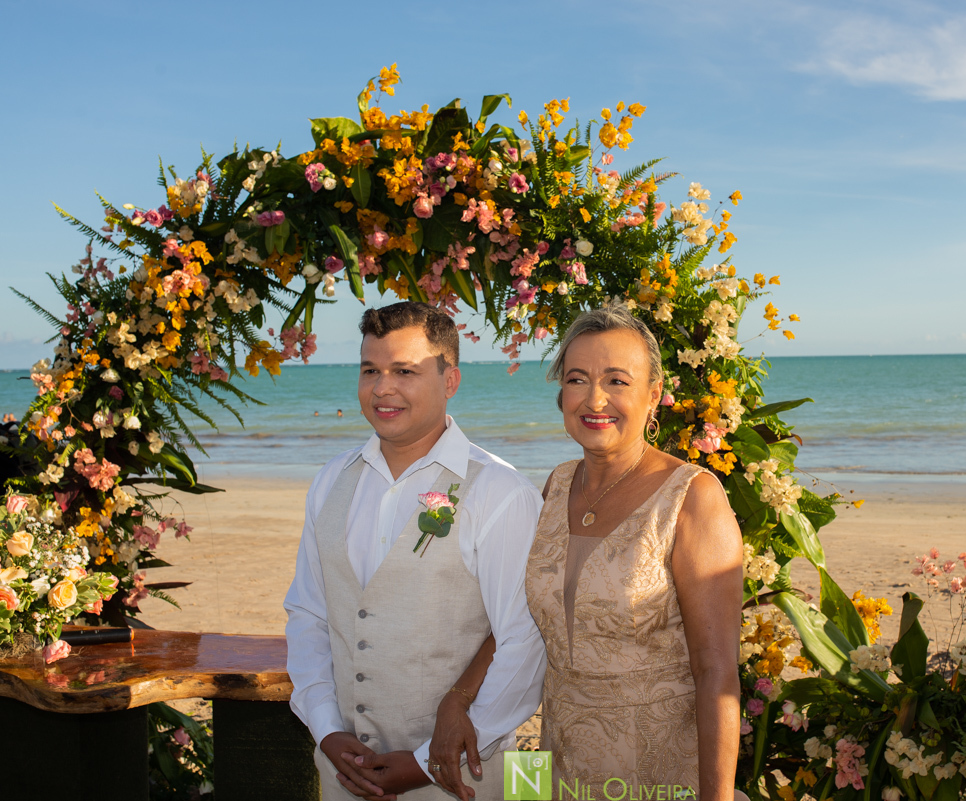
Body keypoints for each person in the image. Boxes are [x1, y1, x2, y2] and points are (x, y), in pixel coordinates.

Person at [438, 306, 743, 799]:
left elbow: (718, 673)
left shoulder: (693, 498)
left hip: (657, 774)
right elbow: (527, 617)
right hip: (556, 762)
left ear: (654, 396)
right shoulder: (557, 485)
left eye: (617, 381)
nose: (594, 398)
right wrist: (457, 699)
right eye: (577, 379)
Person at [284, 301, 546, 801]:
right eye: (370, 370)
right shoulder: (330, 482)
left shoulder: (500, 491)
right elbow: (308, 613)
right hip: (346, 772)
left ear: (450, 381)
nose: (383, 388)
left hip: (463, 775)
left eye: (405, 371)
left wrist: (431, 758)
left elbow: (524, 638)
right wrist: (325, 729)